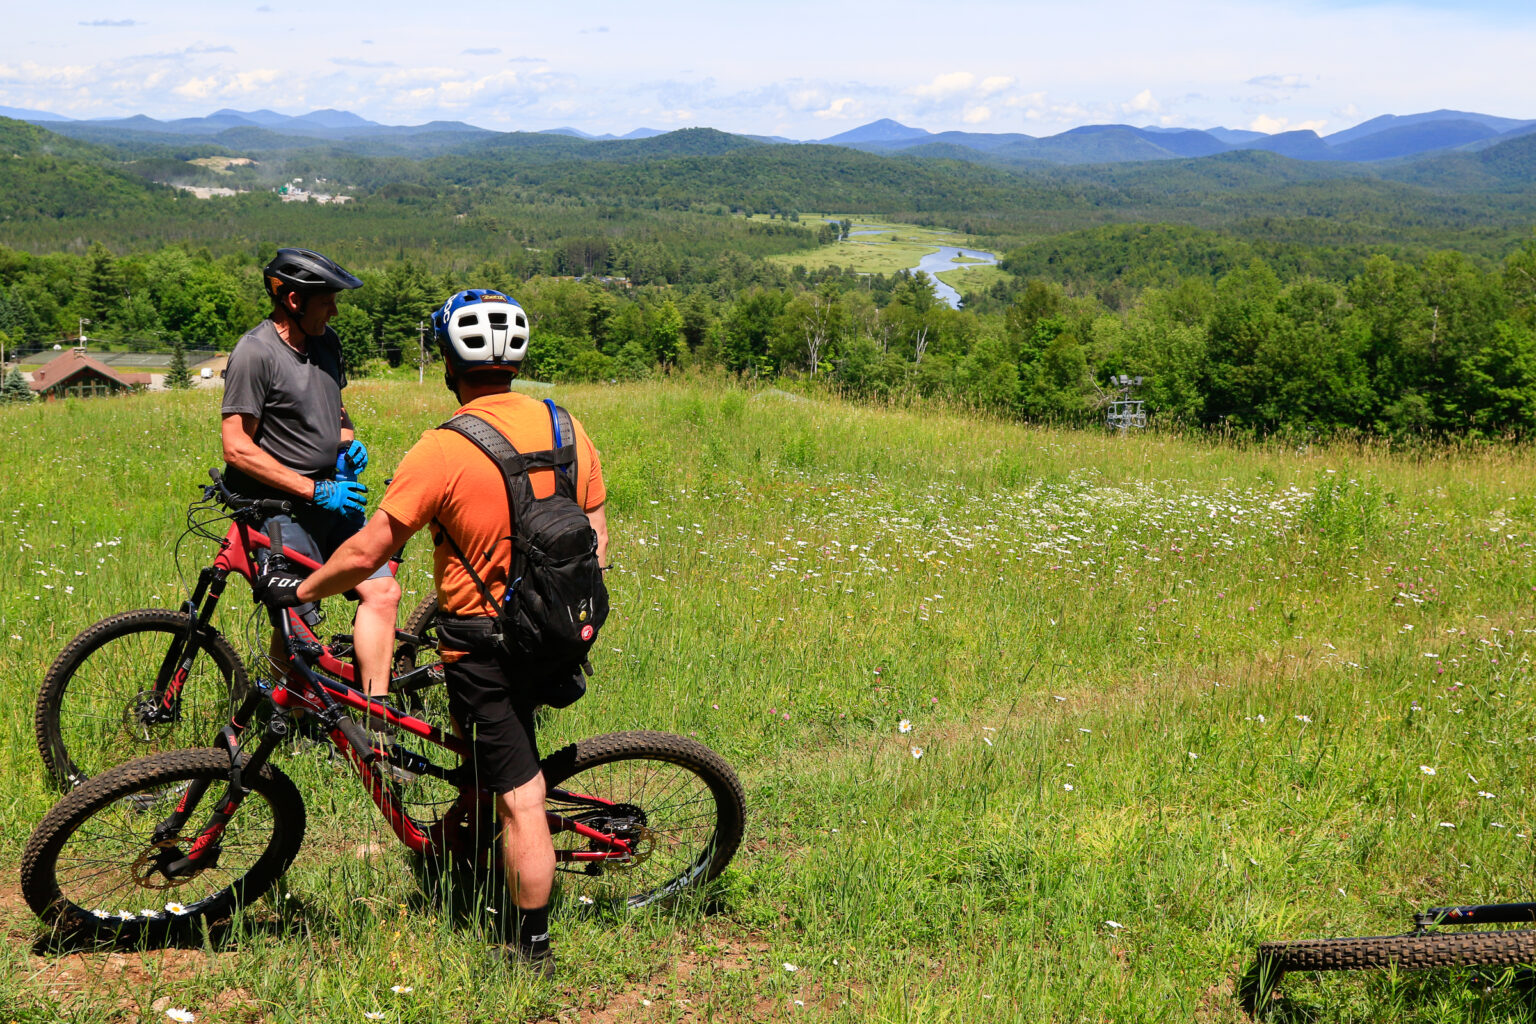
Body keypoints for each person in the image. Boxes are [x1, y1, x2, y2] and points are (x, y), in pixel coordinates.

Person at [258, 287, 608, 973]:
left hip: (484, 644)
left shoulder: (443, 449)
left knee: (519, 795)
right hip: (563, 628)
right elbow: (593, 532)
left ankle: (529, 946)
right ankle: (449, 855)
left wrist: (297, 587)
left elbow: (367, 553)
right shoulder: (567, 427)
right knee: (487, 763)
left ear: (449, 363)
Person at [221, 247, 401, 702]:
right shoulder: (254, 353)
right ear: (295, 300)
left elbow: (335, 412)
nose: (335, 310)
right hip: (279, 509)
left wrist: (346, 444)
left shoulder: (327, 343)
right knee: (297, 612)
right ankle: (292, 719)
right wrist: (313, 489)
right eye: (328, 300)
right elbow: (238, 448)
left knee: (382, 592)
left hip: (331, 497)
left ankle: (374, 716)